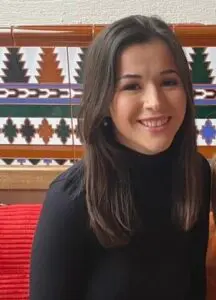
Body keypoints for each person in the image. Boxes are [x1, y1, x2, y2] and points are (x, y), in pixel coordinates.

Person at [30, 15, 211, 300]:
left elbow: (195, 285)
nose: (154, 101)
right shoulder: (70, 200)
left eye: (168, 82)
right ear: (103, 101)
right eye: (132, 86)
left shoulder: (196, 172)